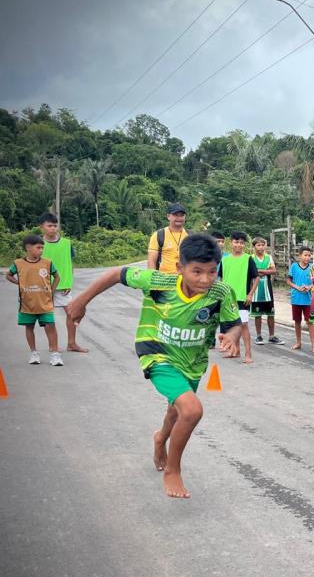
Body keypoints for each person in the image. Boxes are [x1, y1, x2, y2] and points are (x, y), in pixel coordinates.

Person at [67, 234, 242, 498]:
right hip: (156, 353)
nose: (205, 279)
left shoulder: (221, 292)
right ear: (180, 268)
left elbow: (234, 324)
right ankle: (173, 470)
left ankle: (161, 438)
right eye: (197, 271)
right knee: (192, 410)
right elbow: (117, 273)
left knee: (176, 411)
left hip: (192, 362)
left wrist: (232, 337)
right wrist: (81, 301)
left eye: (211, 272)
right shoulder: (159, 282)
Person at [6, 234, 63, 366]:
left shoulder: (47, 263)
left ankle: (55, 354)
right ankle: (34, 354)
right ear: (28, 248)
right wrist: (19, 284)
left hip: (45, 303)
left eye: (42, 248)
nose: (41, 250)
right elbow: (8, 275)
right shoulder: (18, 264)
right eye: (39, 248)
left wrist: (52, 291)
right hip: (27, 304)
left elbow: (57, 277)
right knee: (29, 327)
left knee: (51, 326)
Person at [40, 212, 88, 353]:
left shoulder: (67, 243)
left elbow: (70, 264)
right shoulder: (38, 244)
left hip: (63, 287)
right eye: (49, 226)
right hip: (44, 287)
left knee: (73, 314)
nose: (53, 228)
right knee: (48, 317)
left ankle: (71, 343)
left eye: (55, 226)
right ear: (42, 227)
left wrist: (69, 282)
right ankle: (52, 345)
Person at [218, 230, 258, 363]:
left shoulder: (248, 259)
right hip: (227, 299)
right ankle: (235, 351)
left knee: (243, 325)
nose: (239, 245)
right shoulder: (225, 260)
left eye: (241, 243)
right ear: (231, 243)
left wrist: (250, 294)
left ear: (244, 245)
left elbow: (256, 278)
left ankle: (248, 354)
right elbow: (221, 278)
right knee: (231, 326)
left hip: (241, 297)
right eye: (236, 242)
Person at [250, 236, 283, 345]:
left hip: (267, 289)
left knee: (271, 313)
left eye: (263, 245)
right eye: (258, 245)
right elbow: (251, 272)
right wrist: (266, 271)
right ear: (254, 246)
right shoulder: (251, 258)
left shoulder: (268, 257)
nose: (261, 247)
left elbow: (274, 271)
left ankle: (271, 336)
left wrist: (260, 271)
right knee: (257, 314)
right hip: (256, 290)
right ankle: (259, 336)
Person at [287, 246, 314, 352]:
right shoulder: (294, 266)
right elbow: (289, 281)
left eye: (309, 255)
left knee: (310, 322)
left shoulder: (312, 268)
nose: (308, 257)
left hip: (309, 300)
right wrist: (297, 288)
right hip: (296, 298)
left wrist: (309, 287)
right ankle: (298, 342)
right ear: (299, 256)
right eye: (305, 255)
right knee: (297, 321)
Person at [148, 203, 189, 273]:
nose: (179, 218)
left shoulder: (191, 236)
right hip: (164, 280)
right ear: (168, 216)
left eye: (181, 215)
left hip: (186, 280)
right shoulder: (158, 235)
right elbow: (151, 262)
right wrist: (153, 279)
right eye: (176, 215)